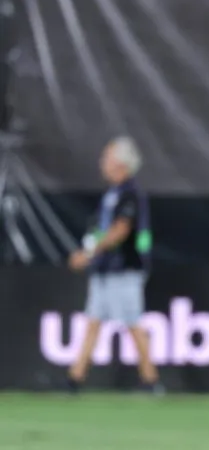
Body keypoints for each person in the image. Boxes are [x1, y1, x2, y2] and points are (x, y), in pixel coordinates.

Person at [66, 137, 161, 393]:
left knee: (133, 323)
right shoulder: (112, 194)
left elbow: (120, 231)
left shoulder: (130, 193)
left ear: (120, 162)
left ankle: (151, 381)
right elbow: (100, 230)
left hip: (124, 270)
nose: (102, 163)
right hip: (105, 269)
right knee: (92, 322)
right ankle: (75, 379)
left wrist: (88, 254)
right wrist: (87, 252)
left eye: (106, 158)